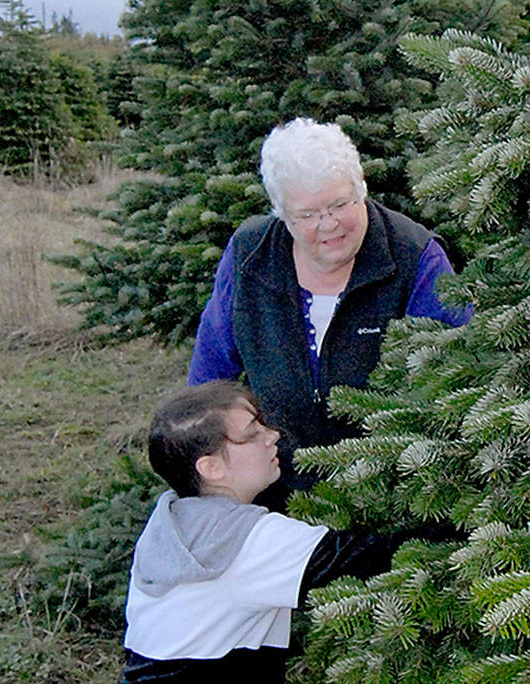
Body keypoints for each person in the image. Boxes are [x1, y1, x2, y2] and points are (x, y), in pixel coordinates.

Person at [77, 380, 415, 684]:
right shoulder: (244, 541)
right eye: (251, 433)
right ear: (210, 467)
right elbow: (369, 558)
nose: (272, 436)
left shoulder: (177, 519)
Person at [188, 117, 470, 501]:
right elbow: (208, 380)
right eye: (307, 215)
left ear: (362, 189)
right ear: (281, 213)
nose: (329, 224)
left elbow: (458, 373)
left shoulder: (414, 256)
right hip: (275, 492)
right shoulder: (249, 256)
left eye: (340, 203)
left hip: (390, 494)